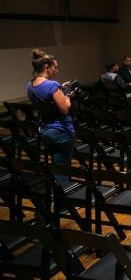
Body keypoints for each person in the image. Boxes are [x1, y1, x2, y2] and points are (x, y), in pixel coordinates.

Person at [26, 49, 74, 185]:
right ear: (47, 67)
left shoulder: (30, 85)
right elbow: (64, 109)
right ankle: (63, 202)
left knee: (56, 164)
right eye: (55, 67)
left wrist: (60, 90)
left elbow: (46, 101)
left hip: (46, 130)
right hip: (61, 131)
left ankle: (58, 196)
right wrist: (67, 96)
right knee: (62, 169)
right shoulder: (52, 85)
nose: (56, 71)